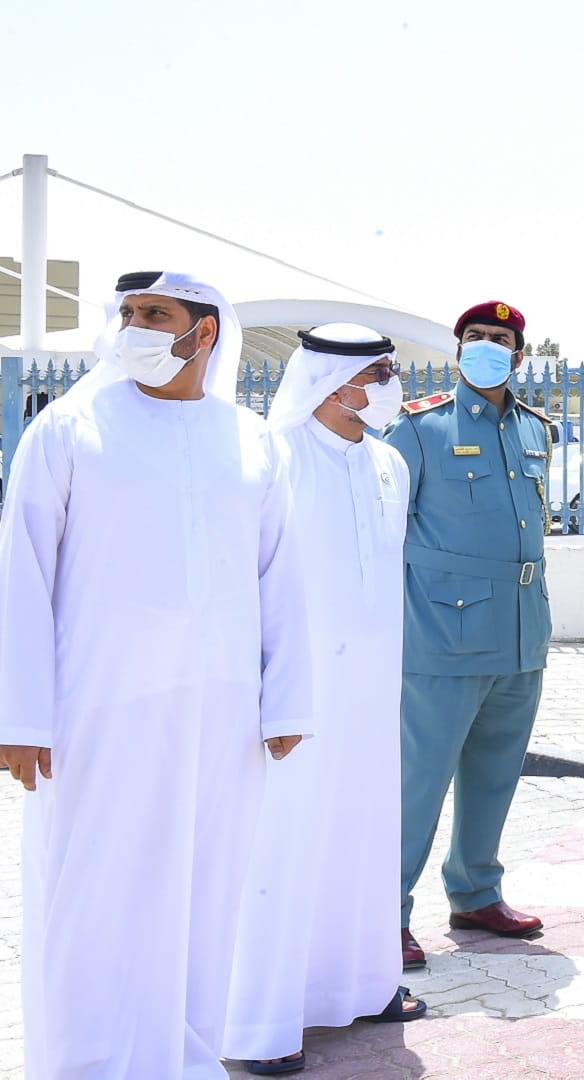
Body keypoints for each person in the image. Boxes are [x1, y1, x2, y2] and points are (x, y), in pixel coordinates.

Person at [0, 271, 311, 1079]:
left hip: (221, 715)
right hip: (97, 709)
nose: (132, 325)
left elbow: (280, 576)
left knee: (205, 892)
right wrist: (21, 716)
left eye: (154, 314)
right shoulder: (68, 428)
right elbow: (20, 575)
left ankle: (184, 1058)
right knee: (93, 897)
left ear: (203, 332)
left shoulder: (252, 439)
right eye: (128, 313)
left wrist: (287, 699)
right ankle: (85, 1063)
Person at [222, 325, 425, 1075]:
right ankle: (263, 1025)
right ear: (331, 382)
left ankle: (363, 985)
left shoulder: (388, 462)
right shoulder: (272, 459)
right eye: (378, 373)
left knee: (362, 835)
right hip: (293, 694)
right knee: (285, 847)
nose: (389, 386)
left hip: (370, 695)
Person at [386, 301, 553, 970]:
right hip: (441, 632)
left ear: (519, 357)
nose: (487, 347)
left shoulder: (535, 430)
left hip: (520, 630)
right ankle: (384, 912)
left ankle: (475, 891)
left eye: (500, 340)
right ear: (458, 352)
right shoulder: (420, 429)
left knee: (494, 774)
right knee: (417, 781)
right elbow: (382, 531)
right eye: (475, 338)